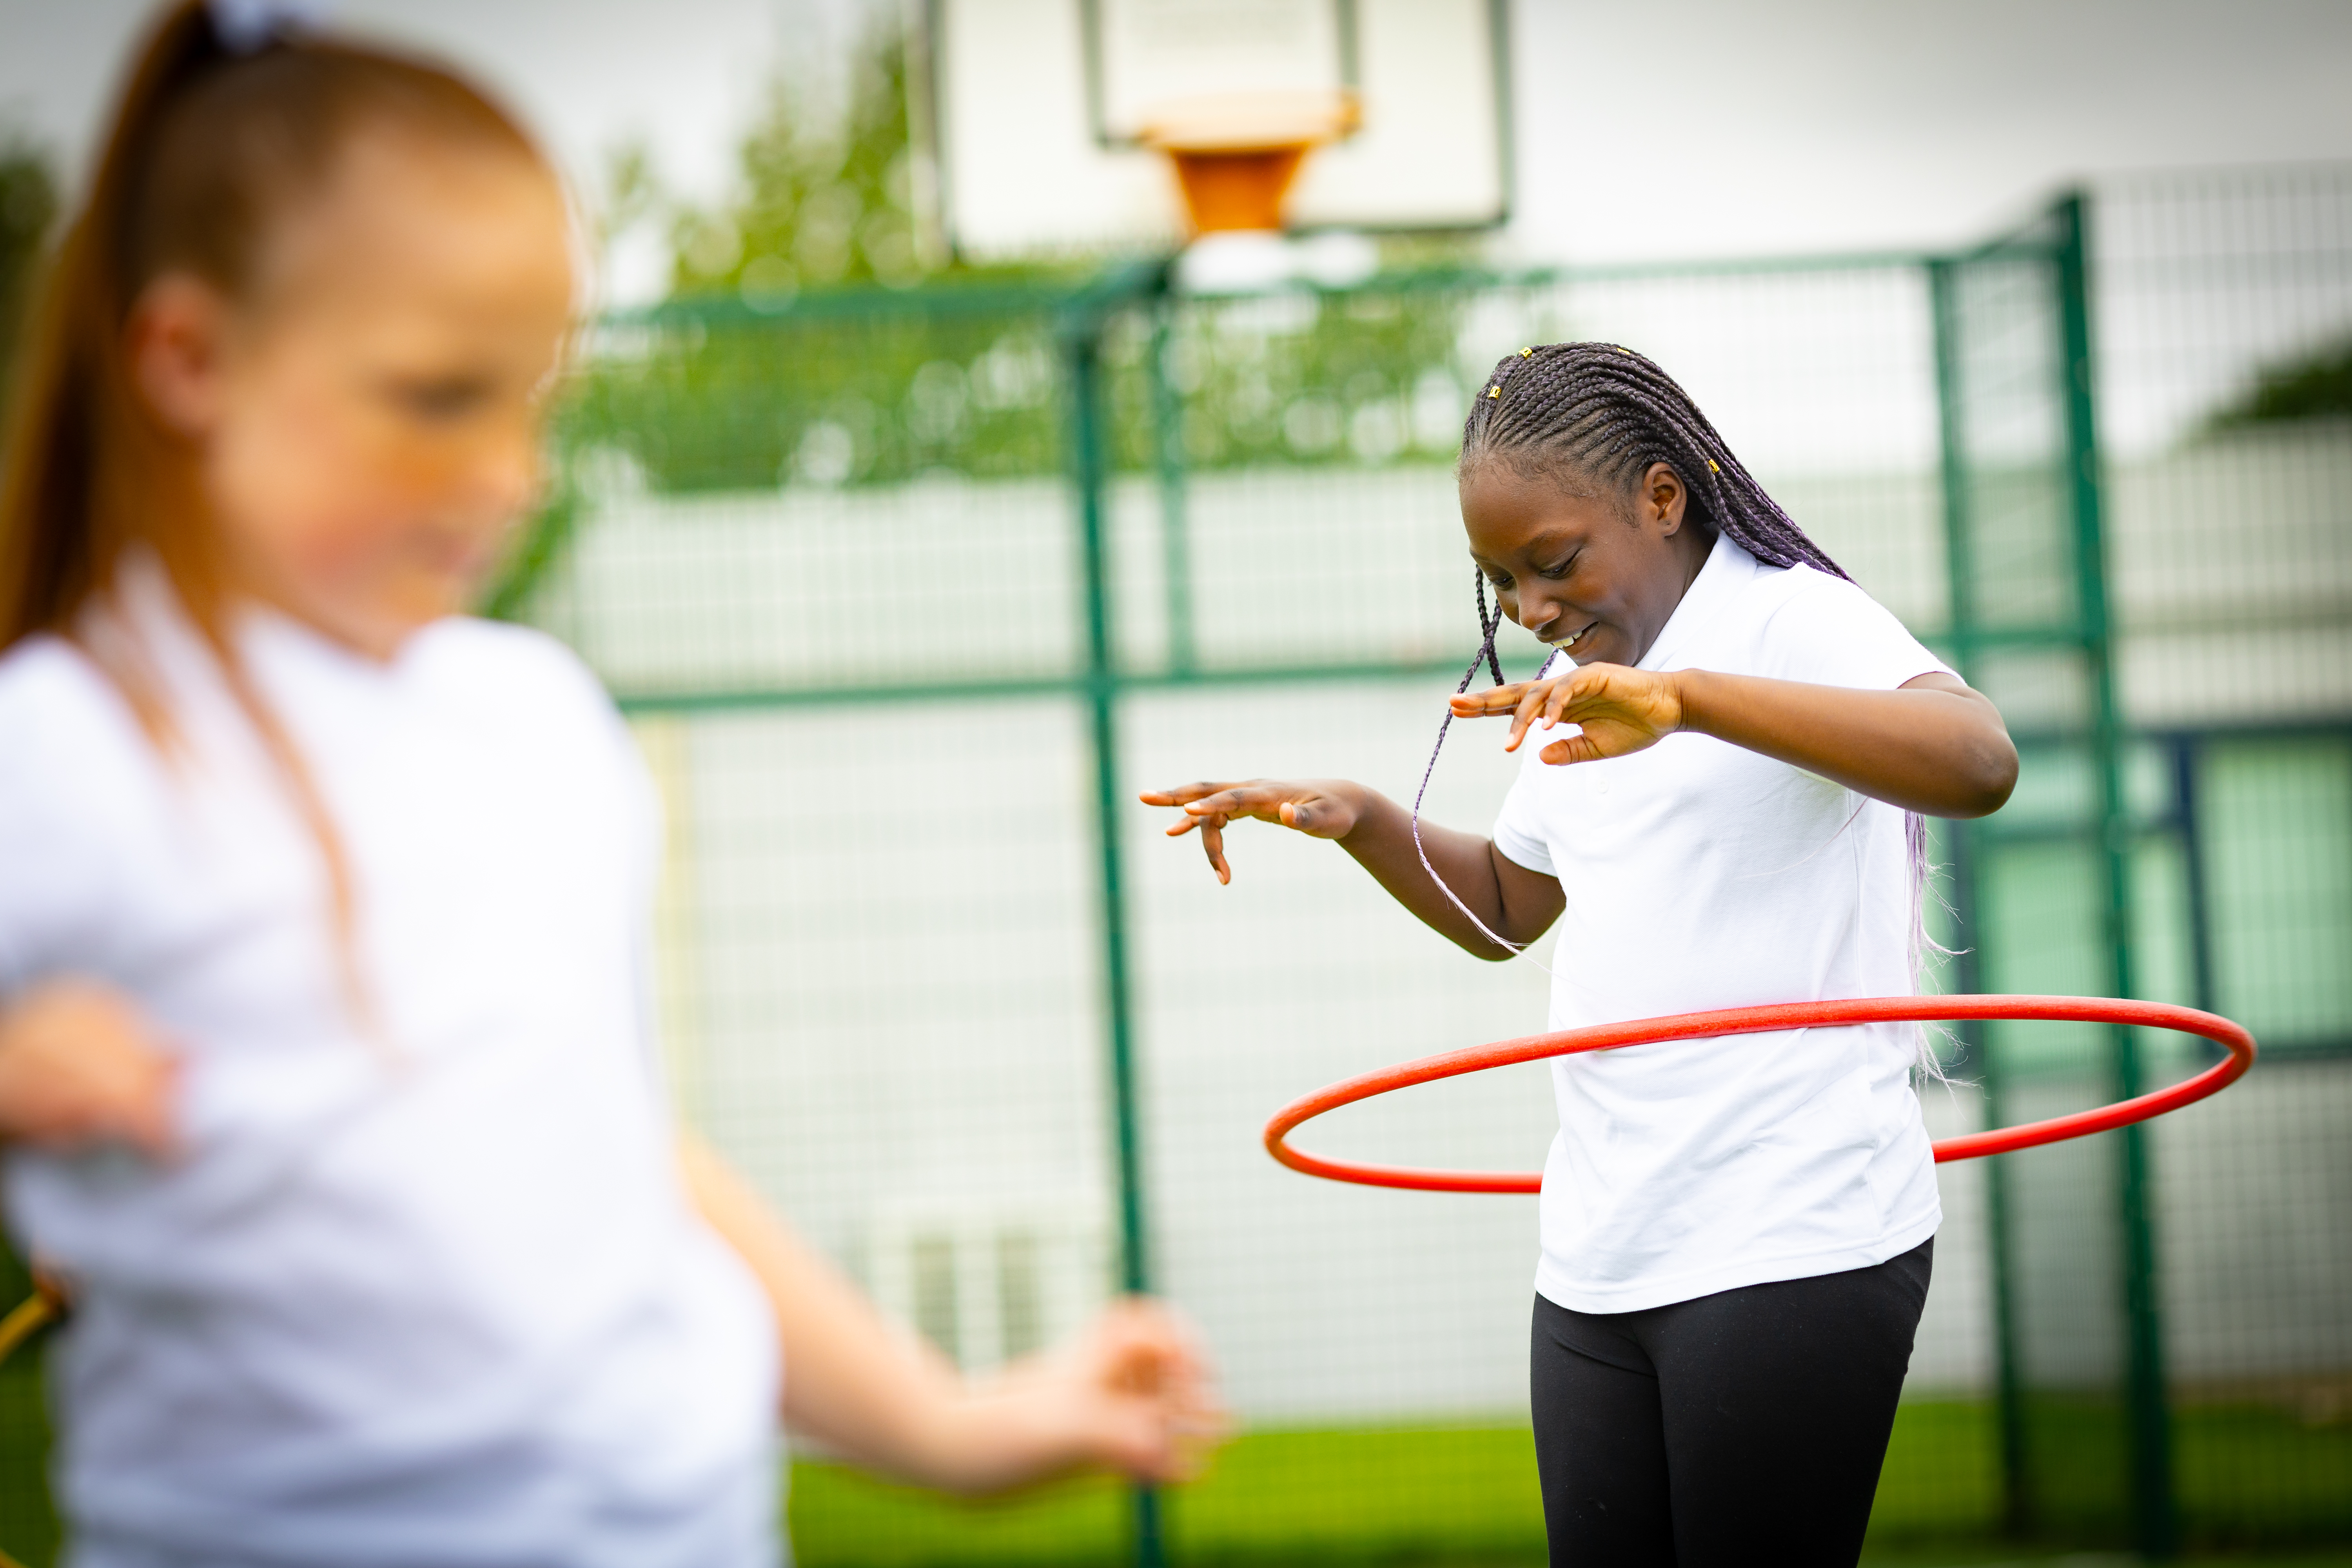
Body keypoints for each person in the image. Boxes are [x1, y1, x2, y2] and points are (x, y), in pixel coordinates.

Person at [0, 5, 1218, 1564]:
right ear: (188, 358)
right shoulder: (72, 747)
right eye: (439, 397)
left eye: (532, 398)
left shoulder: (538, 724)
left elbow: (635, 1171)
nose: (511, 472)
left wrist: (954, 1428)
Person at [1143, 341, 2018, 1566]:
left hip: (1792, 1230)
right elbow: (1508, 905)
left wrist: (1689, 701)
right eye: (1499, 581)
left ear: (1661, 498)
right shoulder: (1572, 682)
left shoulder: (1787, 615)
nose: (1533, 609)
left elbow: (1978, 761)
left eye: (1553, 563)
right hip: (1603, 1253)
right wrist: (1359, 817)